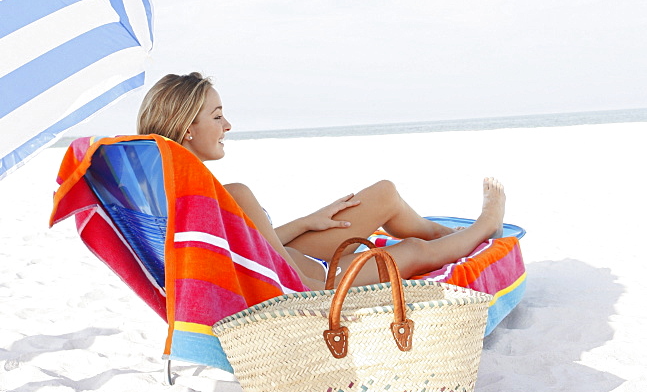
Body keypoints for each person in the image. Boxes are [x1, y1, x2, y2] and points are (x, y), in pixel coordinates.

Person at [137, 72, 506, 291]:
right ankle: (481, 229)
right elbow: (289, 285)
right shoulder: (229, 194)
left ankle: (442, 234)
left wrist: (307, 221)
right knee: (411, 250)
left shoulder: (176, 194)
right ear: (188, 129)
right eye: (218, 117)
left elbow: (246, 250)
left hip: (304, 259)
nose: (228, 126)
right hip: (319, 283)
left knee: (383, 194)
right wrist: (337, 285)